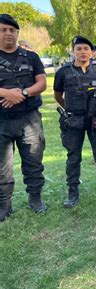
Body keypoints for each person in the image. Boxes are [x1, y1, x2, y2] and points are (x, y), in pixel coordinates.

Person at [54, 36, 96, 208]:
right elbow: (58, 95)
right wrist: (70, 108)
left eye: (86, 49)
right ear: (73, 51)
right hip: (73, 120)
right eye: (79, 49)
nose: (82, 52)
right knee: (73, 157)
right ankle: (72, 192)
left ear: (92, 52)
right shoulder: (63, 72)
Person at [0, 13, 48, 220]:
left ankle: (35, 199)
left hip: (29, 119)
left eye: (12, 30)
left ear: (17, 33)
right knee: (2, 167)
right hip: (1, 121)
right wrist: (5, 93)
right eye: (3, 30)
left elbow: (42, 83)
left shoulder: (31, 57)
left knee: (33, 162)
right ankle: (4, 205)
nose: (8, 33)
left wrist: (23, 93)